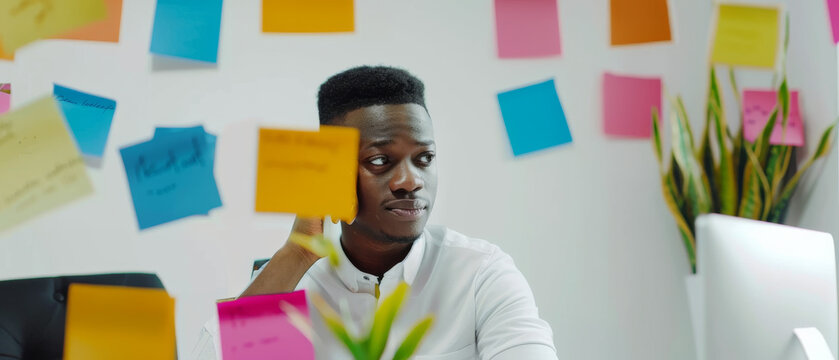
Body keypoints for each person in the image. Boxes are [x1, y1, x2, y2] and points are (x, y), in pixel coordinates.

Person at [198, 66, 557, 360]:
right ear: (333, 170)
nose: (409, 181)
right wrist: (298, 253)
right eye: (380, 160)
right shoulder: (290, 287)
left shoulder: (479, 274)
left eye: (424, 158)